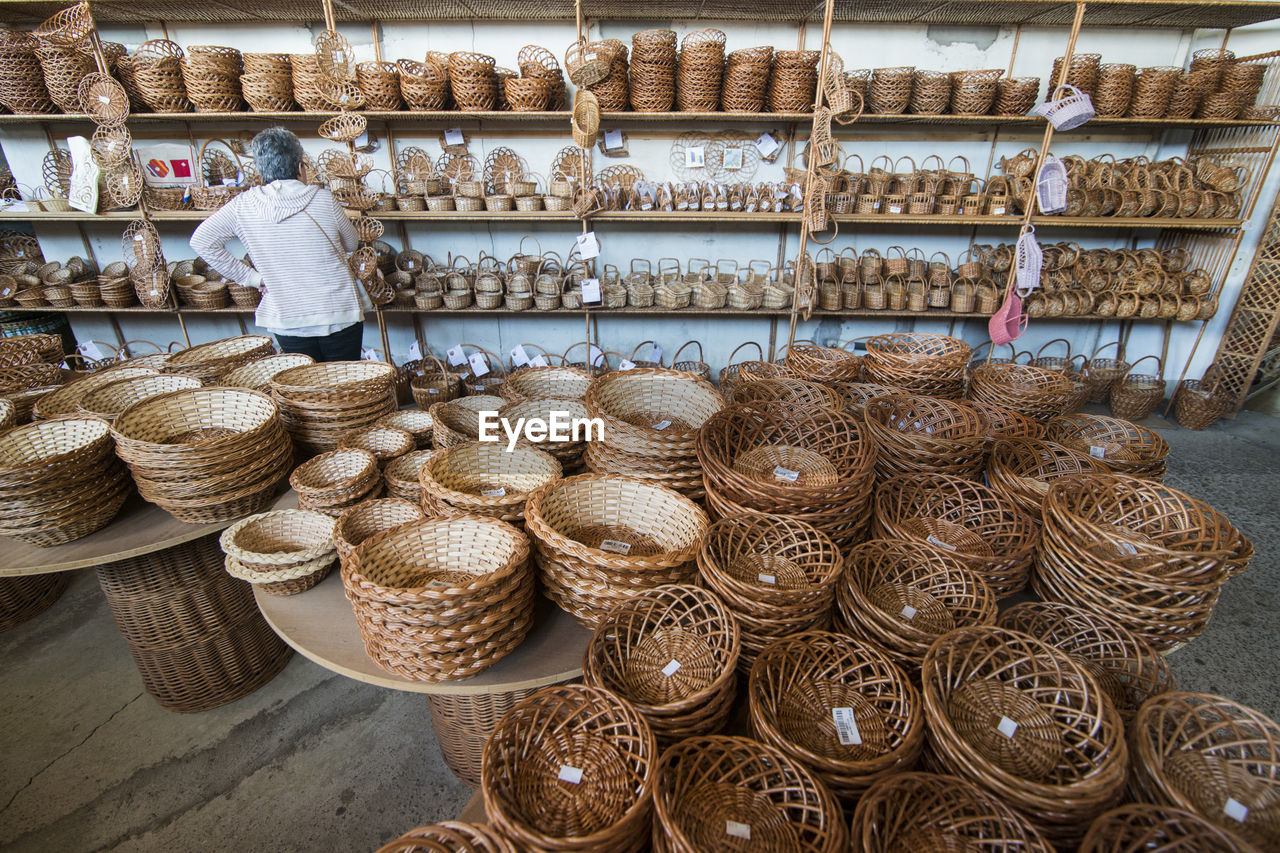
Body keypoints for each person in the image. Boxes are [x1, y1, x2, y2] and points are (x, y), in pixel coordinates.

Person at [190, 127, 370, 361]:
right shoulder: (323, 199)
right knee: (346, 388)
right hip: (338, 311)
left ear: (261, 170)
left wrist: (254, 279)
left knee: (303, 391)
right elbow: (352, 243)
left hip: (286, 316)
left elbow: (202, 241)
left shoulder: (242, 206)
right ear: (299, 167)